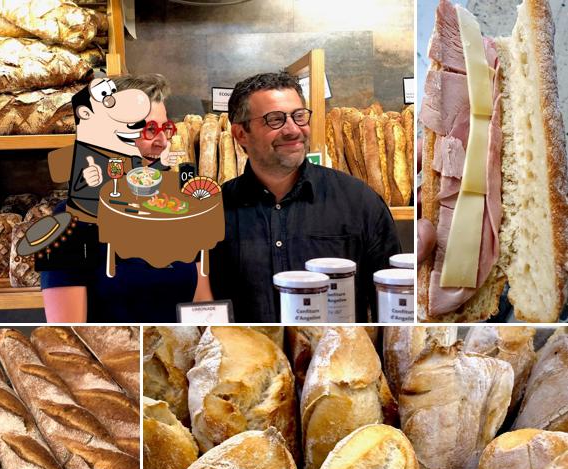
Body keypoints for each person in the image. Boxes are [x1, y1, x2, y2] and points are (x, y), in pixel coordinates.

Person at [209, 71, 401, 322]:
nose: (293, 130)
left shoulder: (359, 202)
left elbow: (393, 308)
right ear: (241, 135)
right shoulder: (211, 214)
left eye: (299, 116)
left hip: (338, 357)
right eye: (274, 120)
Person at [41, 73, 212, 323]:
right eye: (147, 130)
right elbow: (70, 332)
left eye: (165, 128)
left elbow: (202, 309)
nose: (162, 142)